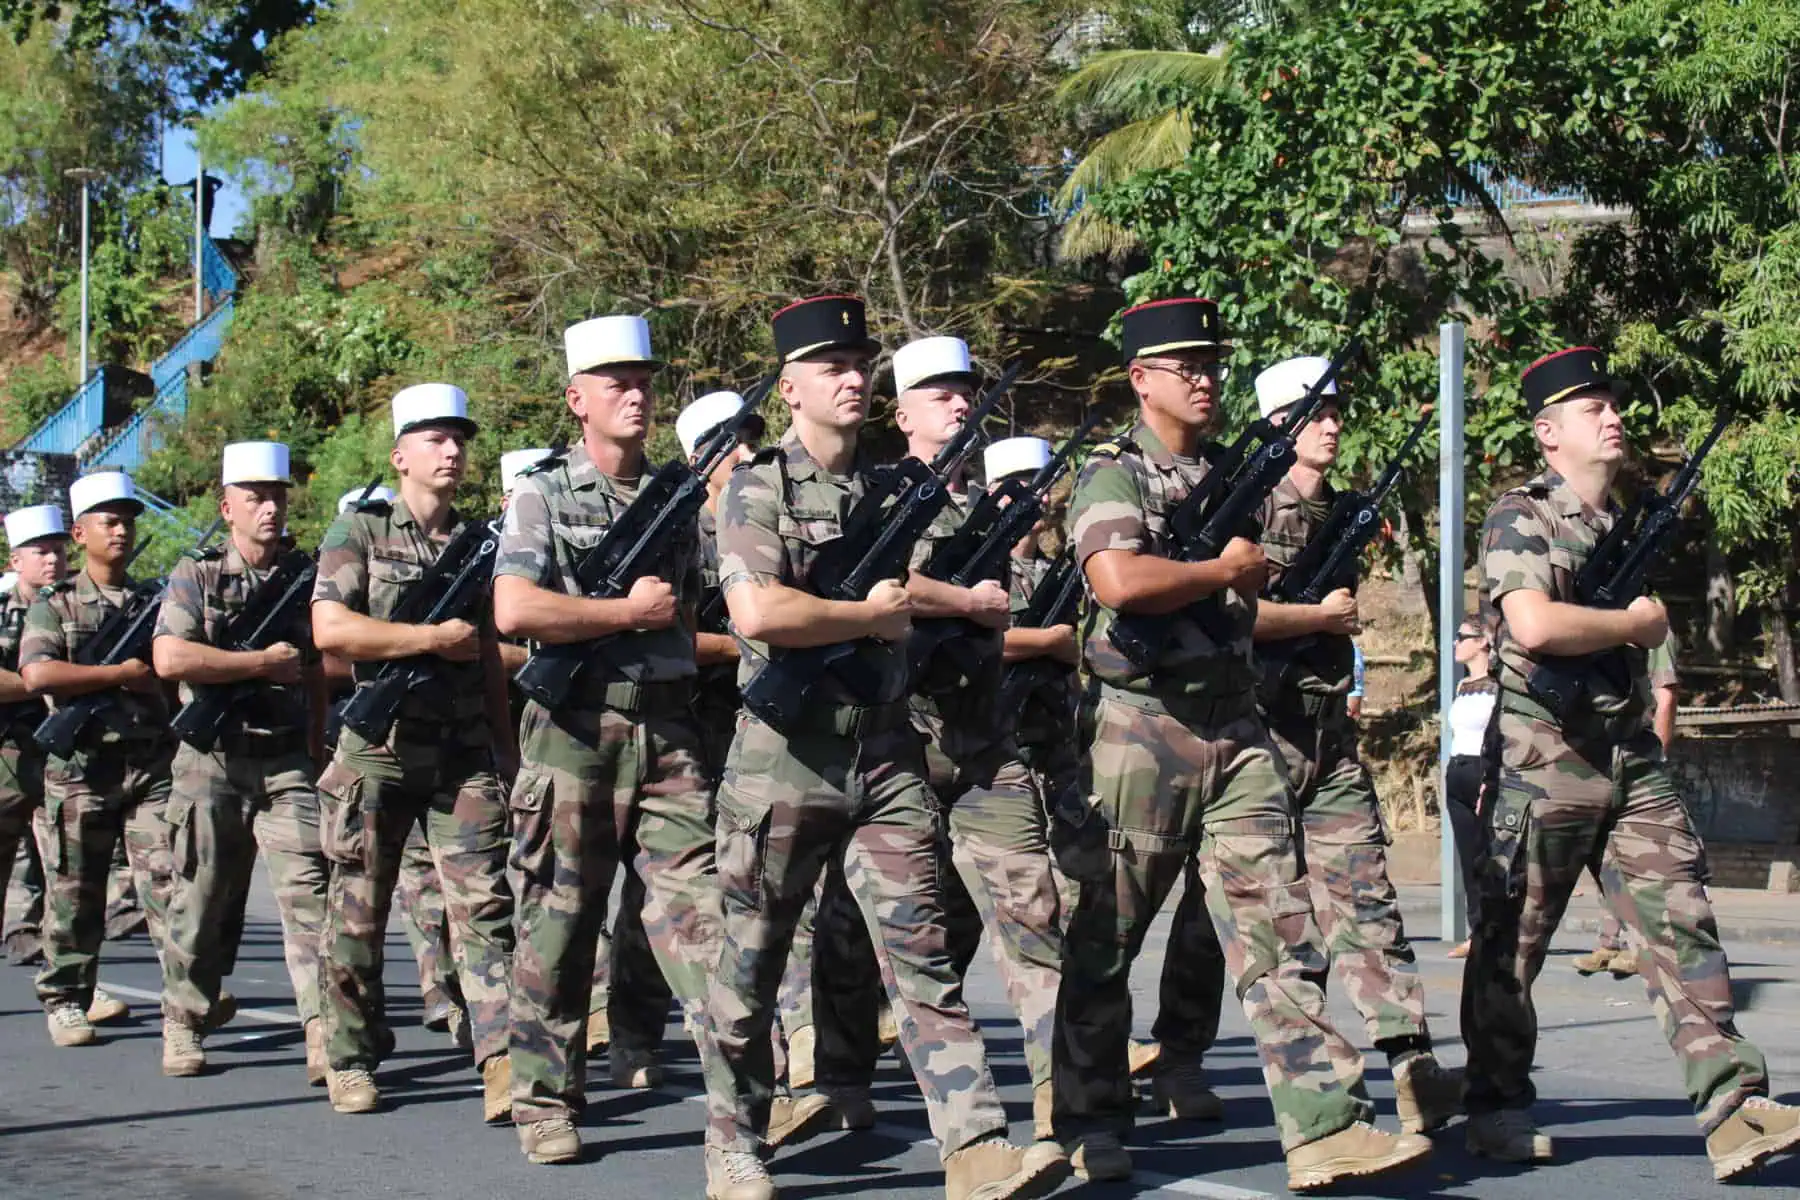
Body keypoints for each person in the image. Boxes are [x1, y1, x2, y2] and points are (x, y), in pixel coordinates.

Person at [1051, 298, 1430, 1192]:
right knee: (1109, 936)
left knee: (1279, 928)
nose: (1205, 378)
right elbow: (1118, 577)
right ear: (1142, 379)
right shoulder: (1113, 472)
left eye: (1212, 363)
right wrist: (1221, 571)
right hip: (1141, 732)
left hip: (1236, 727)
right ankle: (1088, 1116)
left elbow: (1254, 591)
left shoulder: (1236, 473)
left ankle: (1325, 1127)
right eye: (1185, 366)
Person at [699, 295, 1066, 1200]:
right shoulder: (758, 488)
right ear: (790, 388)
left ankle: (976, 1146)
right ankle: (734, 1140)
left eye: (861, 362)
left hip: (885, 755)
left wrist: (949, 606)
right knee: (751, 958)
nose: (854, 377)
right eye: (833, 367)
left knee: (923, 955)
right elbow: (759, 611)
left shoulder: (900, 487)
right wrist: (866, 614)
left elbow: (948, 585)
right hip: (784, 758)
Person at [1465, 346, 1800, 1179]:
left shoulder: (1625, 525)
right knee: (1514, 943)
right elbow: (1536, 628)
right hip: (1542, 757)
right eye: (1591, 407)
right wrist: (1633, 626)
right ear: (1548, 433)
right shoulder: (1521, 516)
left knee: (1681, 918)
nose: (1613, 416)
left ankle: (1732, 1104)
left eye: (1614, 405)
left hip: (1627, 754)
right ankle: (1497, 1103)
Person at [810, 335, 1068, 1153]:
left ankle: (1068, 1103)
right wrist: (967, 598)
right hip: (901, 738)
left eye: (967, 392)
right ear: (903, 412)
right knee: (869, 928)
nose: (960, 405)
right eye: (941, 394)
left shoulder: (993, 505)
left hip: (987, 738)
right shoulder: (877, 493)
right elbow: (878, 580)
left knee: (1035, 916)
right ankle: (842, 1075)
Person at [495, 316, 724, 1164]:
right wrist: (623, 615)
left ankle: (739, 1105)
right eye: (615, 382)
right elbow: (515, 611)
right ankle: (544, 1099)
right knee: (560, 922)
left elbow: (695, 614)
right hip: (572, 733)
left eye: (644, 380)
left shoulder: (677, 499)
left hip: (667, 732)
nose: (635, 394)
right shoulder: (542, 495)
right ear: (577, 399)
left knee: (703, 920)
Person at [1245, 356, 1462, 1134]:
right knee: (1264, 921)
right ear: (1276, 424)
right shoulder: (1244, 508)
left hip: (1326, 732)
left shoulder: (1342, 510)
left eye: (1337, 412)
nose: (1331, 425)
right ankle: (1170, 1053)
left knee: (1367, 898)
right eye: (1313, 414)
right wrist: (1314, 619)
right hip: (1252, 739)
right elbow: (1223, 617)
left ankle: (1411, 1062)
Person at [311, 383, 517, 1122]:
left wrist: (506, 749)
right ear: (401, 455)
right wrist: (428, 640)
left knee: (486, 908)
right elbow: (332, 631)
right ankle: (350, 1056)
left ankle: (500, 1062)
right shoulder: (358, 533)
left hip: (461, 752)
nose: (452, 450)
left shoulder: (480, 541)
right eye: (435, 438)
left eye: (459, 437)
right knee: (358, 915)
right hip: (378, 751)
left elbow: (489, 654)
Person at [152, 441, 331, 1083]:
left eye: (278, 497)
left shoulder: (305, 575)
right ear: (227, 506)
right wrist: (258, 664)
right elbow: (172, 659)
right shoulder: (195, 573)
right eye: (255, 498)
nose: (269, 509)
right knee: (200, 895)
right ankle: (184, 1018)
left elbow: (317, 666)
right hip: (212, 760)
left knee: (311, 892)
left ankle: (324, 1031)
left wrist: (316, 739)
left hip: (285, 760)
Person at [19, 471, 179, 1046]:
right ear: (80, 533)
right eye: (109, 522)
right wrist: (117, 675)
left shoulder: (152, 601)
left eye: (128, 521)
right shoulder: (54, 606)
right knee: (76, 889)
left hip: (147, 767)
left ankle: (184, 999)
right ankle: (66, 996)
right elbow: (38, 674)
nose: (121, 531)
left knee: (168, 882)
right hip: (83, 768)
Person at [1572, 629, 1679, 978]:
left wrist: (1658, 753)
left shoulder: (1650, 627)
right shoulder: (1603, 623)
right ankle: (1610, 942)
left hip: (1637, 758)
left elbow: (1665, 696)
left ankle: (1640, 947)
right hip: (1600, 758)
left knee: (1637, 863)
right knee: (1604, 860)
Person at [1442, 618, 1497, 961]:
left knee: (1487, 856)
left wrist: (1489, 780)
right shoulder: (1464, 686)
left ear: (1482, 642)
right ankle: (1477, 931)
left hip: (1481, 769)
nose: (1455, 643)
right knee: (1467, 858)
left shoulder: (1497, 686)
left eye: (1462, 638)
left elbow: (1497, 736)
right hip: (1457, 769)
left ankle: (1497, 932)